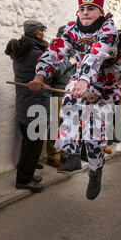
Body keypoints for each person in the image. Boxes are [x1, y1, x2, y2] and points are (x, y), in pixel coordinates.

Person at [28, 0, 121, 200]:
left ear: (100, 11)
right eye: (82, 8)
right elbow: (56, 51)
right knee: (70, 109)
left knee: (95, 134)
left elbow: (98, 52)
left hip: (105, 82)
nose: (85, 12)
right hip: (80, 79)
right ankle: (73, 154)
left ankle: (96, 171)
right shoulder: (71, 29)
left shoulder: (108, 29)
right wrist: (40, 74)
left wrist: (85, 79)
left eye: (91, 8)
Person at [5, 20, 49, 192]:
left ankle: (28, 174)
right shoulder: (37, 53)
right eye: (42, 31)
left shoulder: (20, 50)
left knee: (28, 142)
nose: (44, 34)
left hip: (24, 102)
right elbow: (54, 71)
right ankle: (23, 180)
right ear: (37, 33)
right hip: (36, 103)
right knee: (34, 144)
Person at [46, 26, 77, 168]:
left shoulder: (72, 51)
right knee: (55, 125)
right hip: (57, 91)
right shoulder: (55, 50)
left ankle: (65, 154)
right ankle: (52, 156)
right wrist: (71, 62)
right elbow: (56, 72)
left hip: (69, 93)